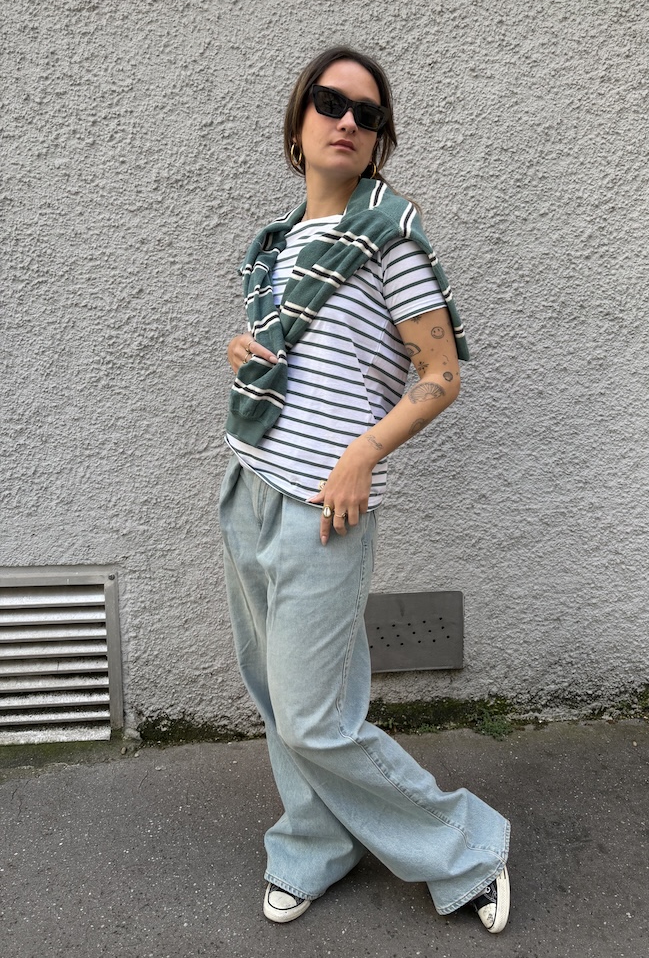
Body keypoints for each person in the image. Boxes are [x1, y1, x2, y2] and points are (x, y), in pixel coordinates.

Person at [219, 46, 511, 934]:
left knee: (315, 719)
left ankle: (466, 847)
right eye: (328, 101)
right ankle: (313, 845)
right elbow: (301, 355)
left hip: (325, 504)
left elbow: (441, 374)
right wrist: (244, 349)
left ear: (379, 140)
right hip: (249, 482)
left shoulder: (390, 238)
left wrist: (362, 455)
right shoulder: (280, 244)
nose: (346, 120)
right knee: (282, 699)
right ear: (298, 123)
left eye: (367, 113)